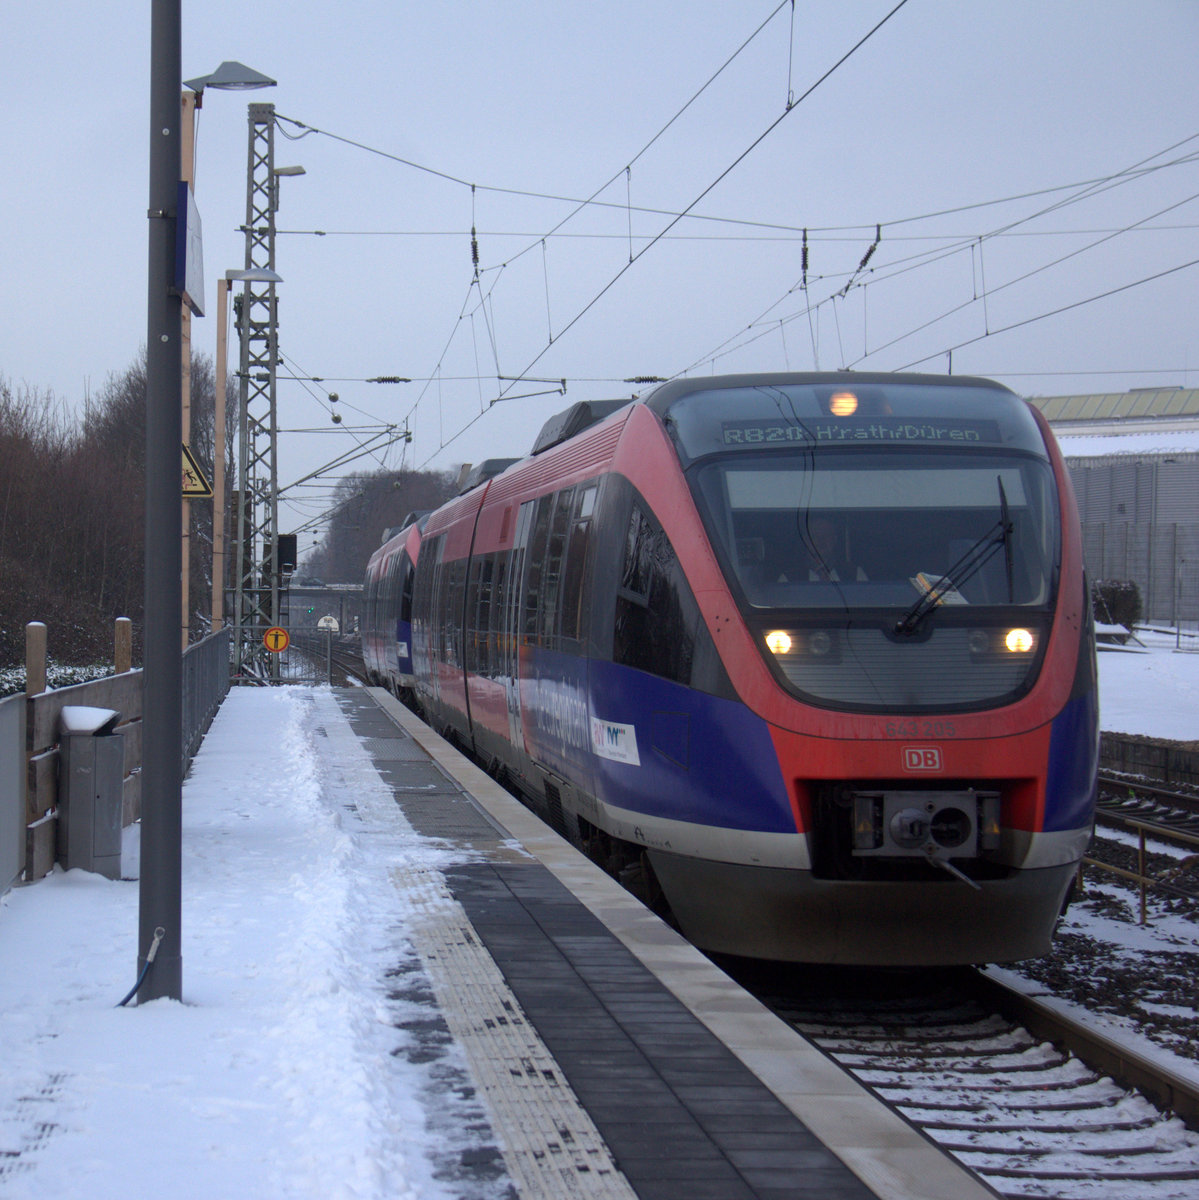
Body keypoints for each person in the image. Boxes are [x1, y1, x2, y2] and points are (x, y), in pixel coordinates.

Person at [805, 514, 866, 582]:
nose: (821, 540)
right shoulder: (792, 576)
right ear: (806, 539)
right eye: (815, 535)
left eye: (826, 535)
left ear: (834, 539)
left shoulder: (855, 573)